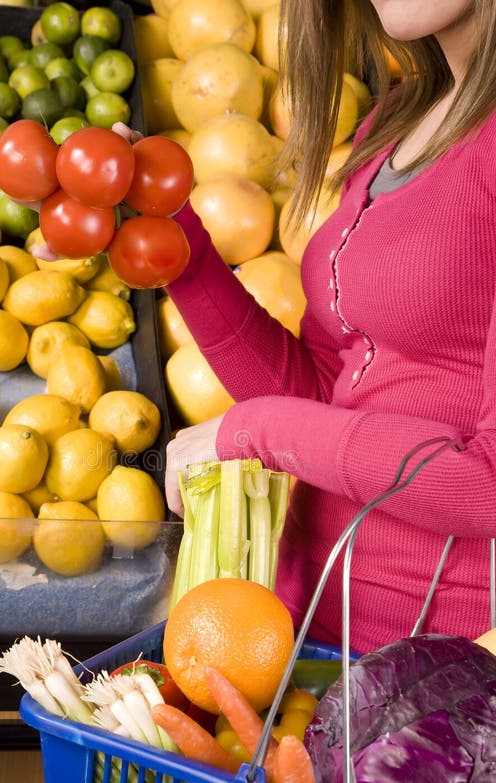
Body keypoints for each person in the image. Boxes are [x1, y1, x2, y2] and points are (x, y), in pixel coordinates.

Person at [155, 0, 496, 653]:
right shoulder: (393, 123)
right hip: (296, 630)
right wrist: (177, 248)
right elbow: (321, 392)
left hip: (434, 662)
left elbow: (488, 485)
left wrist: (252, 432)